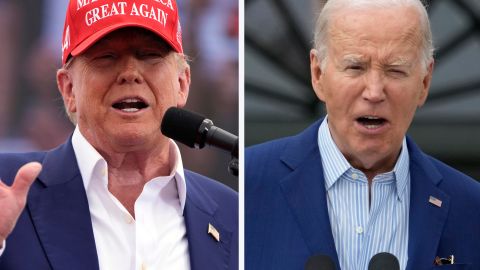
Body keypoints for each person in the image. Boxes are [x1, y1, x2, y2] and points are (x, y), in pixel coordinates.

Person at [0, 0, 238, 269]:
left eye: (149, 55)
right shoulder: (6, 186)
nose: (129, 73)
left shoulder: (233, 214)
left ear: (182, 83)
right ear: (69, 90)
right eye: (106, 57)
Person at [245, 0, 480, 269]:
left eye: (395, 70)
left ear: (424, 83)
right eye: (355, 67)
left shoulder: (471, 210)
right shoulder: (249, 186)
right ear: (318, 74)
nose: (374, 92)